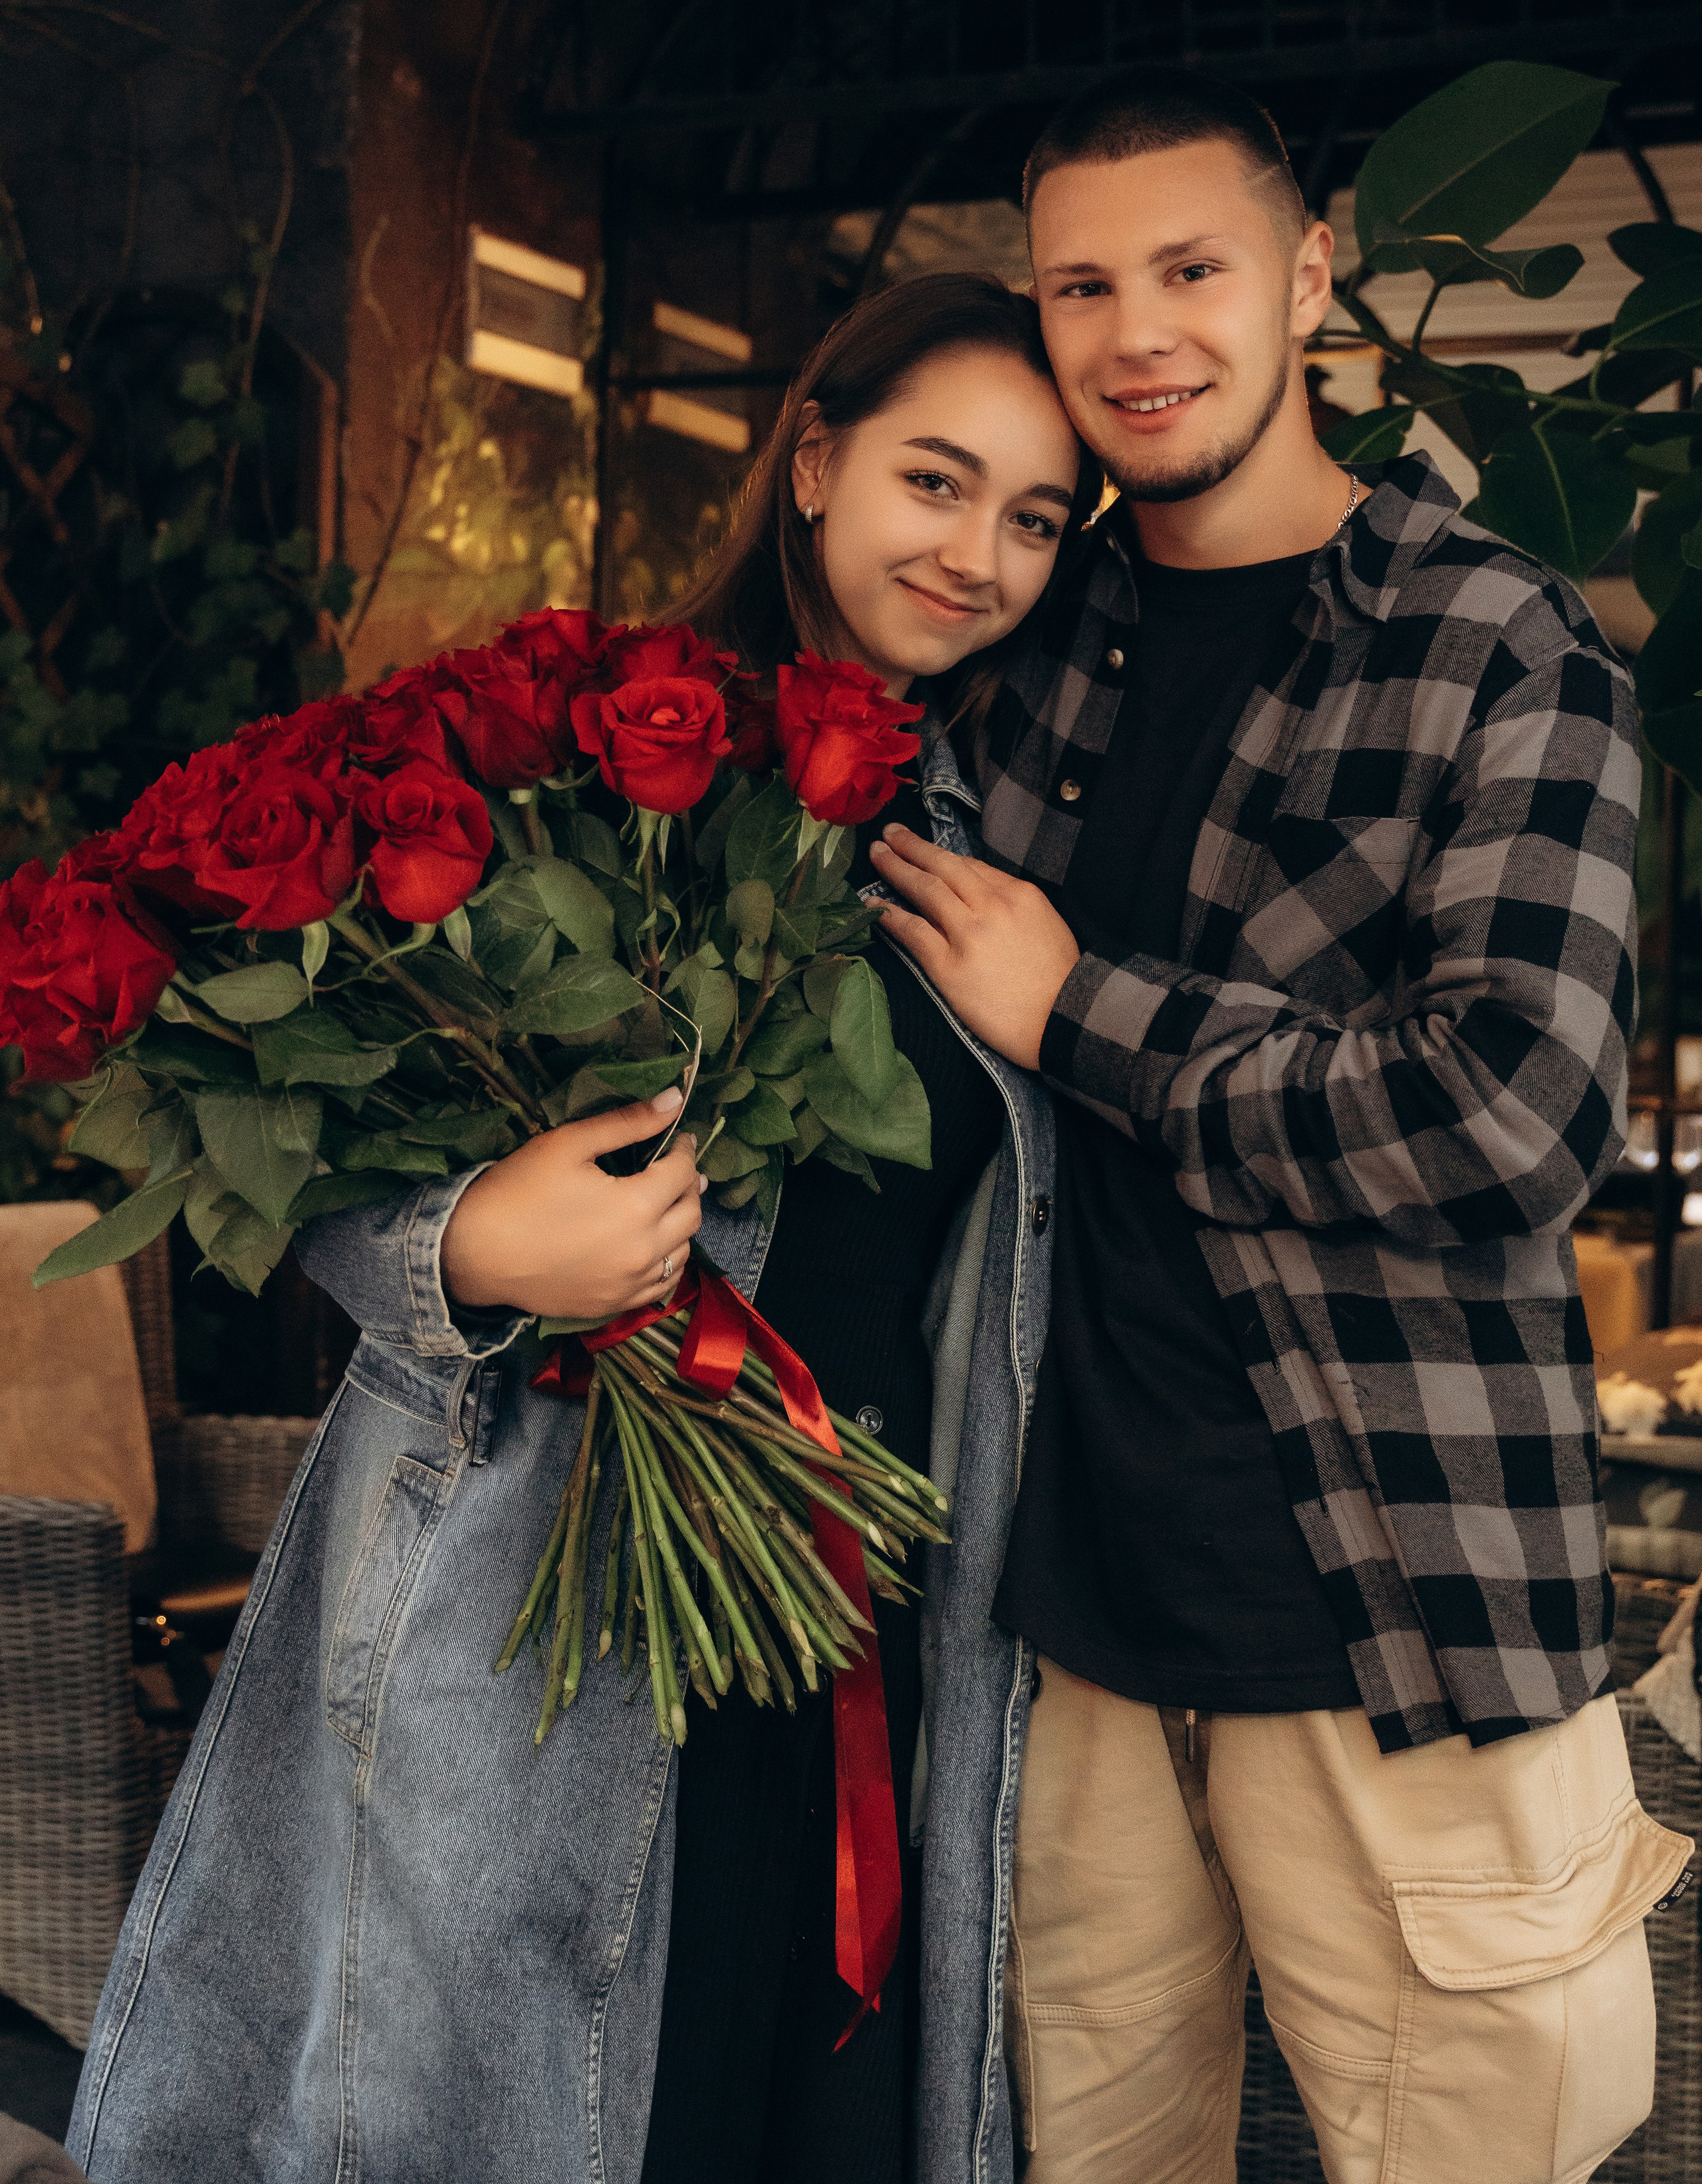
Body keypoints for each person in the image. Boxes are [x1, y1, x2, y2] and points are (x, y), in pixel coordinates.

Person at [68, 274, 1096, 2184]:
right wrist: (469, 1246)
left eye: (1034, 518)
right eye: (936, 483)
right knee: (528, 2107)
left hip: (851, 1609)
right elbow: (314, 1167)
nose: (978, 556)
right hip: (537, 1605)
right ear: (811, 462)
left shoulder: (980, 845)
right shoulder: (567, 769)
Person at [874, 71, 1695, 2184]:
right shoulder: (1029, 656)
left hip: (1398, 1619)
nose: (1136, 332)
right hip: (1073, 1634)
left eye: (1191, 269)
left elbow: (1514, 1111)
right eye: (1083, 284)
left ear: (1310, 273)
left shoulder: (1504, 650)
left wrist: (1086, 1012)